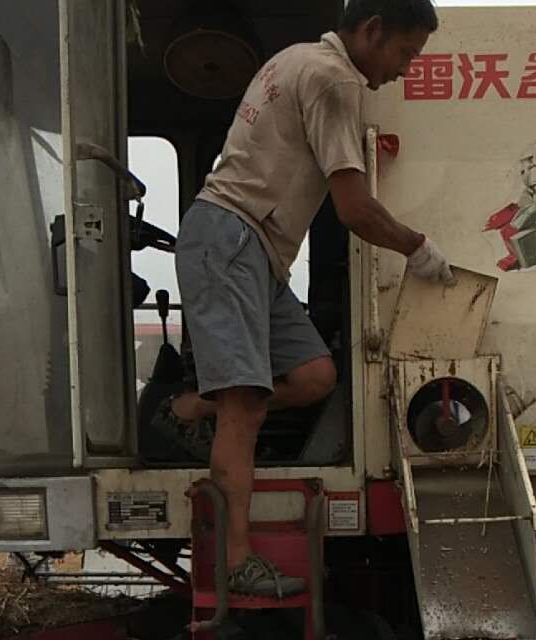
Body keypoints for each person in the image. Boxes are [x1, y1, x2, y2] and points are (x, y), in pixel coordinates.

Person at [161, 0, 456, 598]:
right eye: (404, 53)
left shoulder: (294, 59)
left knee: (317, 375)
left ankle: (191, 410)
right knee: (246, 407)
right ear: (371, 30)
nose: (403, 69)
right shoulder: (332, 80)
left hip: (255, 250)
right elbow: (355, 209)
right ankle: (238, 559)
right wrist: (417, 248)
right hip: (231, 236)